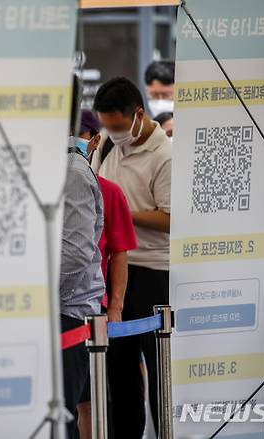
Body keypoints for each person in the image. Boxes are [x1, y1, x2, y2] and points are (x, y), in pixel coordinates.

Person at [91, 77, 172, 438]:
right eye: (107, 125)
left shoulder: (165, 155)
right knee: (118, 369)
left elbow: (171, 218)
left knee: (157, 368)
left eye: (118, 126)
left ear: (138, 115)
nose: (113, 132)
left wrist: (120, 211)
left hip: (153, 269)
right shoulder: (107, 143)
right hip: (111, 268)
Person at [76, 110, 138, 439]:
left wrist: (115, 306)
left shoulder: (108, 193)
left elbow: (119, 253)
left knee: (89, 399)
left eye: (78, 138)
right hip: (51, 308)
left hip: (90, 309)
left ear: (94, 140)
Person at [62, 80, 105, 439]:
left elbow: (75, 252)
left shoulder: (72, 172)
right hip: (52, 309)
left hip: (66, 311)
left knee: (60, 414)